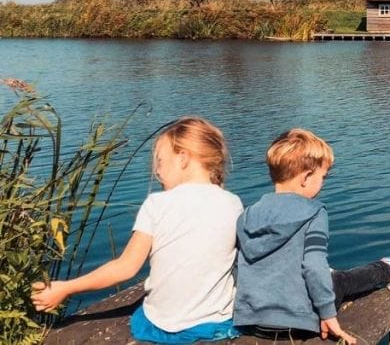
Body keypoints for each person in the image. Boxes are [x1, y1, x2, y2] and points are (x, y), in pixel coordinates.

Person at [32, 117, 243, 343]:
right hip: (217, 324)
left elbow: (125, 268)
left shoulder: (157, 204)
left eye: (160, 161)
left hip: (164, 327)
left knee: (143, 315)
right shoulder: (233, 203)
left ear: (182, 158)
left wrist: (65, 288)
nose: (157, 171)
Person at [234, 128, 390, 343]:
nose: (323, 183)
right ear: (306, 177)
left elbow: (239, 267)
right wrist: (327, 314)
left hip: (254, 323)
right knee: (339, 280)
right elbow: (313, 266)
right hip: (301, 322)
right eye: (323, 177)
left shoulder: (247, 215)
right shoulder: (313, 212)